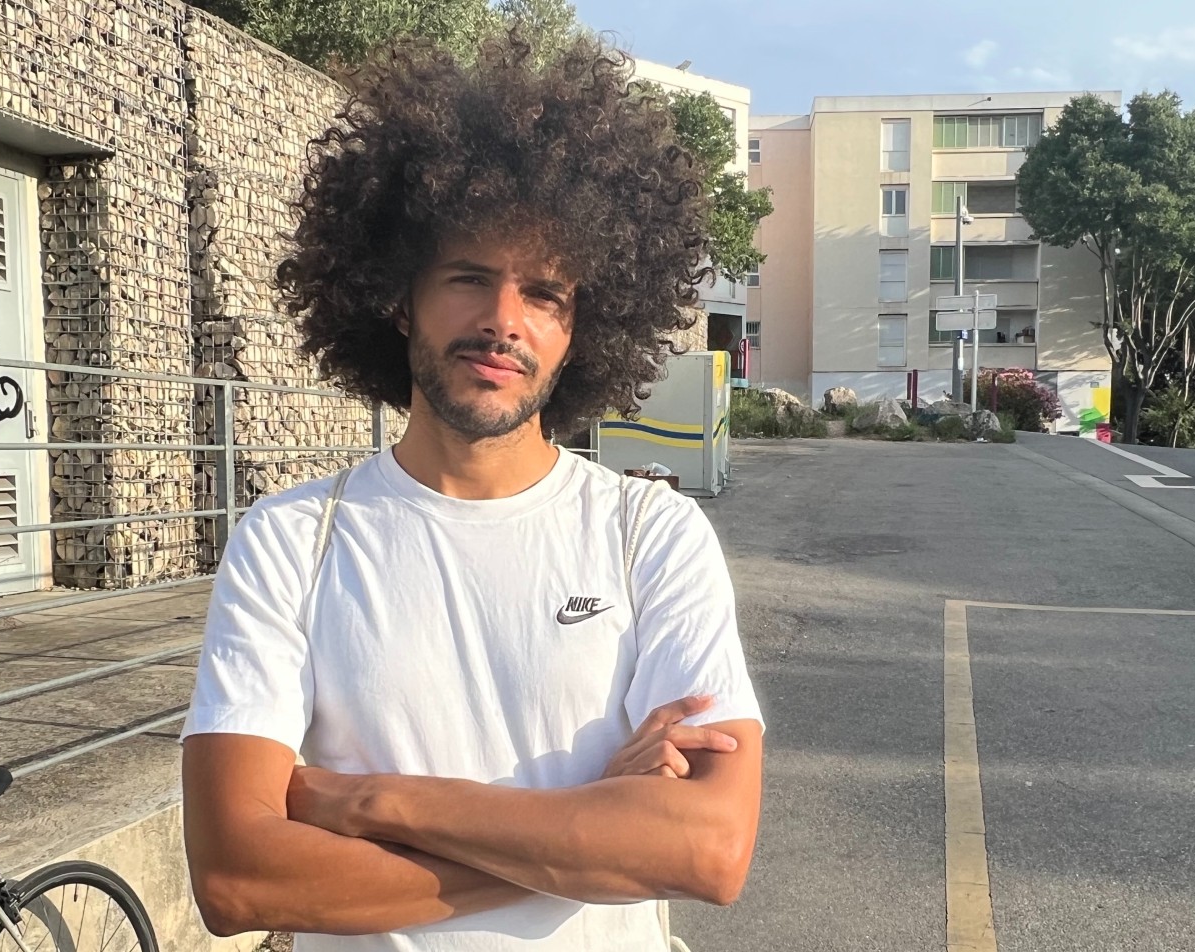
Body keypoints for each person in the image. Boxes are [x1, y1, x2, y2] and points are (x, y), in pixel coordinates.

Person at [180, 31, 764, 952]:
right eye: (467, 278)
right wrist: (590, 828)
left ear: (581, 329)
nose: (502, 321)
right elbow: (238, 879)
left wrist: (370, 802)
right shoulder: (292, 539)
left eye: (544, 293)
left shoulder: (650, 534)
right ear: (397, 296)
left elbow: (710, 851)